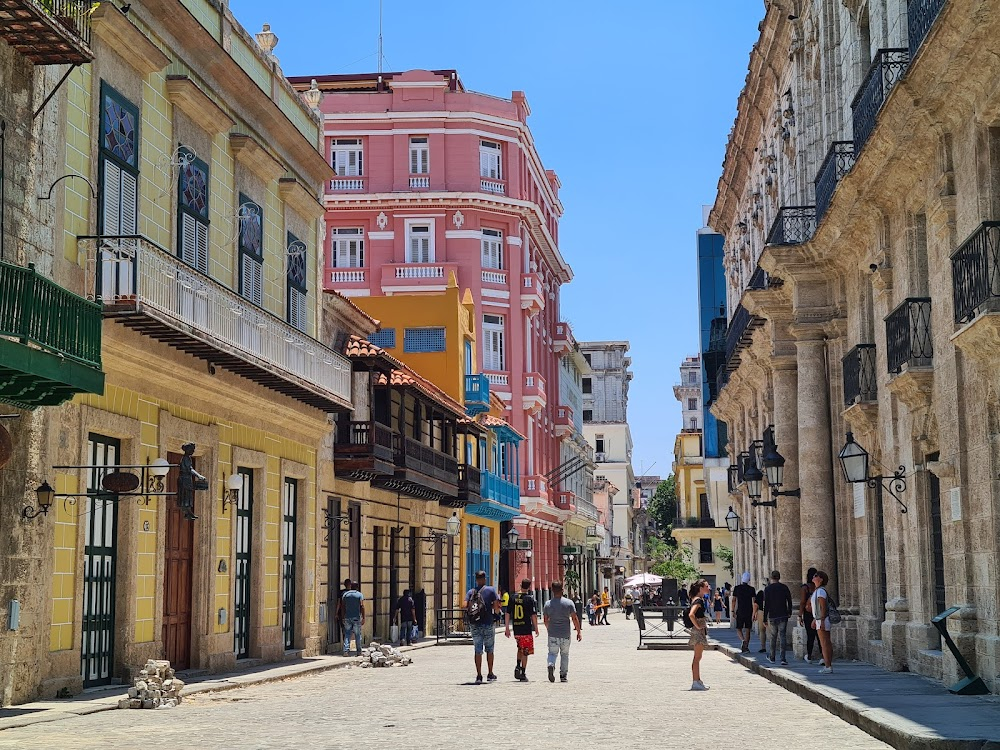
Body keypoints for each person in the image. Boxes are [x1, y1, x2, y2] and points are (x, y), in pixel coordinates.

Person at [542, 580, 582, 683]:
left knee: (552, 653)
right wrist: (578, 631)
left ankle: (551, 664)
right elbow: (574, 618)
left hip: (553, 633)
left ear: (552, 590)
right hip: (565, 634)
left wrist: (548, 628)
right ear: (562, 590)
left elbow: (545, 620)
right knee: (564, 654)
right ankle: (563, 675)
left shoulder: (547, 604)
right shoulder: (569, 603)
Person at [465, 570, 500, 684]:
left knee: (477, 650)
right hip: (488, 623)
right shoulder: (490, 590)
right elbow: (496, 606)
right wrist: (496, 613)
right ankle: (490, 673)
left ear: (476, 579)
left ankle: (479, 675)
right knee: (490, 649)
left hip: (475, 624)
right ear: (485, 579)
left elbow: (464, 605)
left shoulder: (471, 592)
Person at [505, 577, 539, 682]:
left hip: (516, 628)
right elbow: (533, 615)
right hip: (526, 628)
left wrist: (507, 627)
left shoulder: (513, 597)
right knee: (526, 651)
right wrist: (536, 628)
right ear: (529, 587)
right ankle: (523, 672)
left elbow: (507, 613)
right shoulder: (530, 598)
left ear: (520, 585)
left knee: (519, 648)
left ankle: (517, 665)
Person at [763, 570, 793, 665]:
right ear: (779, 577)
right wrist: (789, 611)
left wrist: (764, 618)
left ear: (771, 578)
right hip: (783, 614)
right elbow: (789, 600)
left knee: (773, 636)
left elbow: (766, 605)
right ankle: (783, 658)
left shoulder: (767, 589)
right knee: (782, 636)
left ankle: (772, 657)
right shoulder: (784, 587)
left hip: (773, 615)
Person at [687, 579, 711, 690]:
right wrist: (698, 626)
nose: (708, 587)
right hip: (698, 631)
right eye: (706, 586)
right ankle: (695, 681)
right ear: (701, 588)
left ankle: (698, 680)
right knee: (697, 657)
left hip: (698, 630)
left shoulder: (696, 599)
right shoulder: (698, 601)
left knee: (698, 656)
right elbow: (691, 614)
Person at [811, 570, 834, 674]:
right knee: (825, 643)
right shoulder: (818, 591)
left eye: (816, 576)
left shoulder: (820, 591)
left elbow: (822, 606)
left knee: (824, 643)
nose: (813, 577)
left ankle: (828, 666)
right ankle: (828, 664)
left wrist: (822, 620)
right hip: (820, 619)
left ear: (820, 579)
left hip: (822, 620)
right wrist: (815, 619)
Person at [732, 572, 756, 652]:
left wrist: (732, 610)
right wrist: (754, 613)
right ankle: (746, 646)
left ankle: (743, 641)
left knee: (739, 628)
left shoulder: (737, 588)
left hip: (740, 610)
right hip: (749, 611)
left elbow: (734, 600)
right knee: (748, 629)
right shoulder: (752, 589)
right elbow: (754, 602)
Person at [340, 581, 365, 657]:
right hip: (356, 618)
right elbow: (362, 606)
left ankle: (345, 651)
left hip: (347, 617)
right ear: (357, 587)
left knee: (347, 634)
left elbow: (343, 606)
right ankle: (359, 651)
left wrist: (343, 616)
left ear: (351, 586)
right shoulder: (359, 595)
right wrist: (363, 617)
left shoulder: (345, 594)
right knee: (357, 635)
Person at [799, 567, 818, 663]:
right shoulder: (817, 587)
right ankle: (823, 656)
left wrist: (799, 615)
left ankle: (809, 656)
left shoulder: (805, 588)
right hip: (817, 613)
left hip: (808, 614)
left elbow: (802, 602)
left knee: (810, 635)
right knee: (819, 635)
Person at [335, 577, 351, 647]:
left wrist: (336, 613)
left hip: (343, 614)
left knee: (344, 630)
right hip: (351, 614)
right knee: (350, 630)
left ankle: (346, 645)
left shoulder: (341, 593)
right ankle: (347, 645)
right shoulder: (354, 593)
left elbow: (339, 603)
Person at [755, 583, 767, 653]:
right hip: (770, 611)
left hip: (761, 612)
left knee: (762, 630)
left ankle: (763, 647)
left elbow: (756, 604)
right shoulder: (770, 590)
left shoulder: (760, 593)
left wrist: (754, 613)